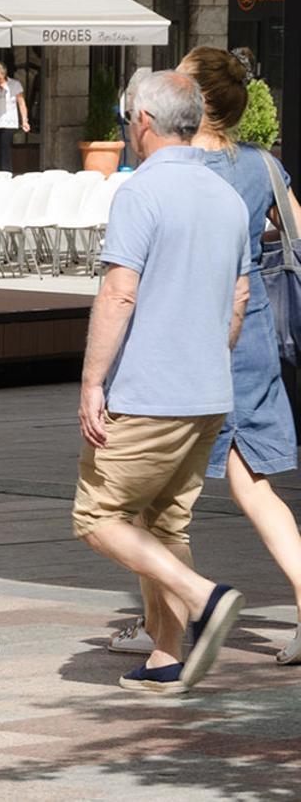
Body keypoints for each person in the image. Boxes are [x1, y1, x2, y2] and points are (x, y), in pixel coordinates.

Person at [107, 48, 301, 665]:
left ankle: (165, 628)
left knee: (157, 500)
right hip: (256, 344)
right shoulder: (263, 167)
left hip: (190, 347)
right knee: (256, 489)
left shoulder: (172, 170)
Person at [71, 70, 251, 694]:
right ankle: (166, 659)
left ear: (143, 122)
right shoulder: (227, 197)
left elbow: (120, 292)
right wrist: (207, 356)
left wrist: (93, 382)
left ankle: (205, 596)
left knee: (97, 516)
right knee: (165, 525)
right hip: (207, 391)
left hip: (147, 391)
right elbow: (239, 295)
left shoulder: (140, 193)